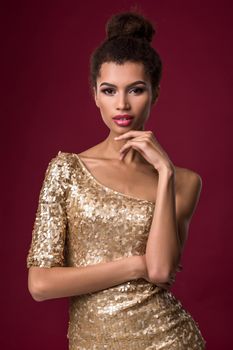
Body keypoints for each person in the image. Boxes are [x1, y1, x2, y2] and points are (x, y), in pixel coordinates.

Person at [27, 10, 206, 349]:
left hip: (169, 340)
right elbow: (40, 283)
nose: (122, 104)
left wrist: (165, 173)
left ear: (155, 93)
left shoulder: (184, 182)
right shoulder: (67, 171)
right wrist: (133, 264)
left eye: (136, 90)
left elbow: (159, 272)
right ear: (95, 94)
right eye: (109, 91)